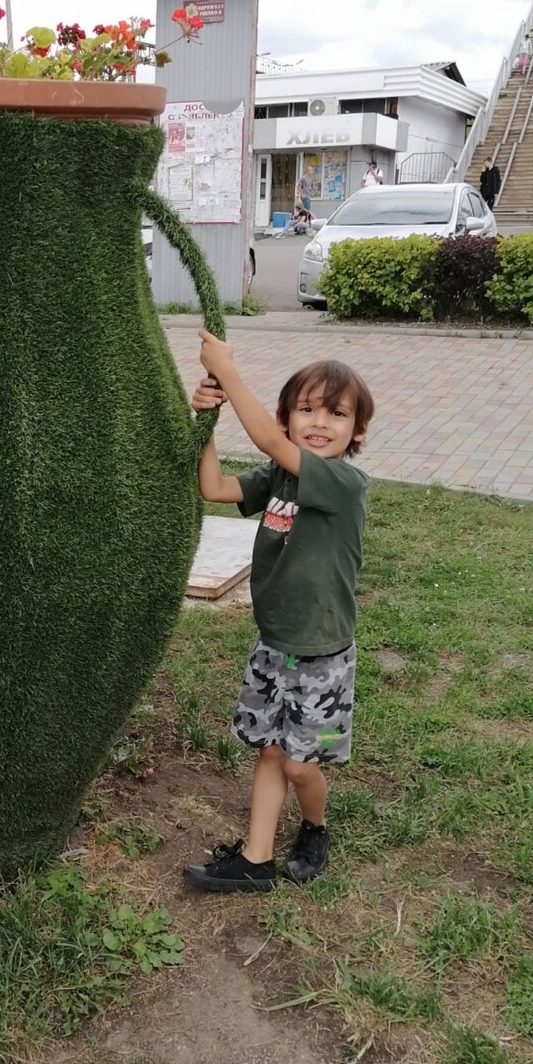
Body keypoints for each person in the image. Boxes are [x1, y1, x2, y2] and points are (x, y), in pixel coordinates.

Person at [182, 337, 375, 892]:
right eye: (306, 409)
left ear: (357, 430)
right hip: (273, 643)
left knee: (297, 764)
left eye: (337, 413)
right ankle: (256, 860)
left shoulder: (342, 484)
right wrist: (207, 422)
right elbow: (214, 487)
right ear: (288, 417)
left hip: (321, 652)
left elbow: (266, 436)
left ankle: (315, 827)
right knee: (270, 750)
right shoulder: (280, 476)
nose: (319, 422)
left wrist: (226, 371)